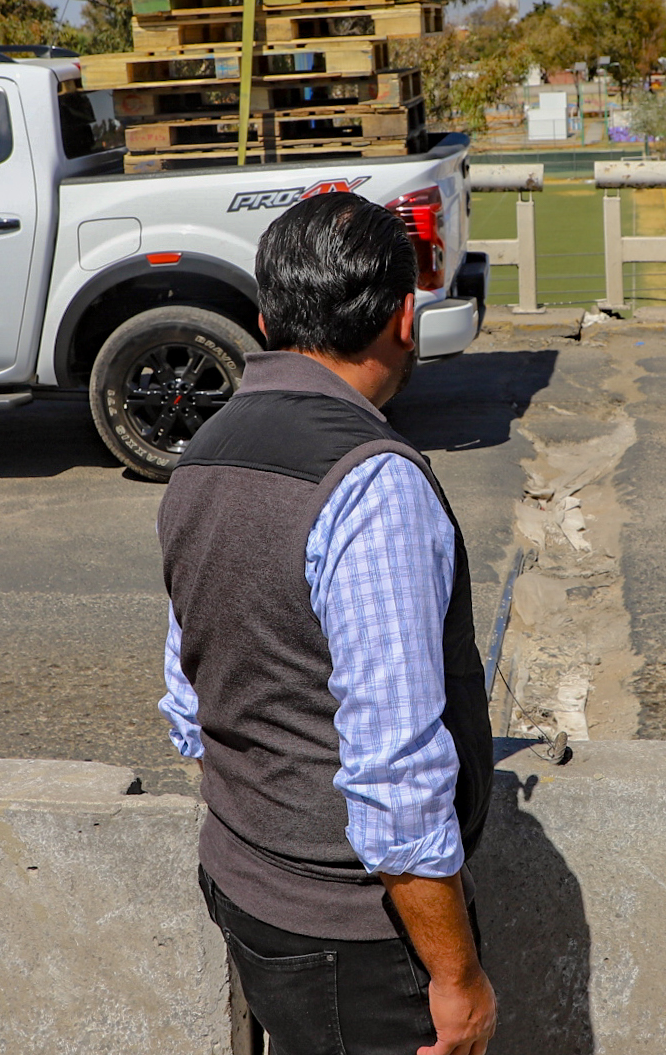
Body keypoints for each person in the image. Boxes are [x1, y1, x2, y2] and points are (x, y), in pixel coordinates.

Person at [157, 191, 496, 1055]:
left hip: (242, 879)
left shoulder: (203, 450)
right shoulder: (373, 483)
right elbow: (395, 776)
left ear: (267, 316)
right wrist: (455, 976)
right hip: (356, 933)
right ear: (405, 320)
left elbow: (190, 699)